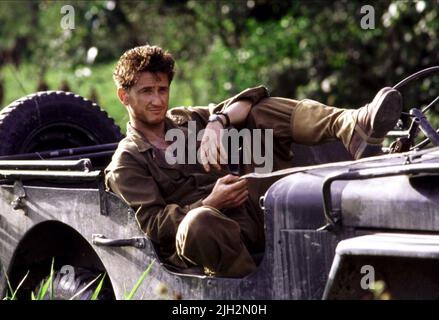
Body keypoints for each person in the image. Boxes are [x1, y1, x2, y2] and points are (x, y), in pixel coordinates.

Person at [105, 45, 402, 277]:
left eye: (162, 90)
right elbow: (156, 226)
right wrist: (210, 202)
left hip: (247, 211)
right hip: (203, 240)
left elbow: (251, 98)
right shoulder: (127, 161)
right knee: (200, 222)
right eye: (146, 91)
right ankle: (256, 294)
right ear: (124, 96)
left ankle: (352, 125)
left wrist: (218, 121)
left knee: (260, 112)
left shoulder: (185, 120)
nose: (157, 101)